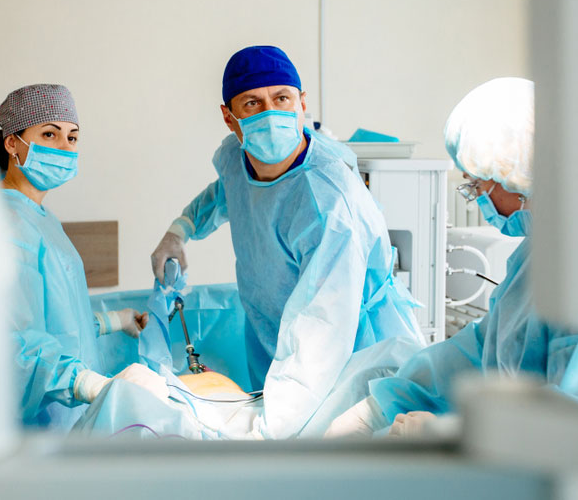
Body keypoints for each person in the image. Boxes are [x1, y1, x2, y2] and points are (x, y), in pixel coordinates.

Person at [326, 77, 578, 438]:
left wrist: (459, 432)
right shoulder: (541, 248)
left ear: (516, 174)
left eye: (477, 186)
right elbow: (484, 349)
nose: (478, 200)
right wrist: (384, 403)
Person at [149, 46, 425, 439]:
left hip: (351, 352)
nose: (270, 113)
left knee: (327, 454)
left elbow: (322, 327)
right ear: (230, 118)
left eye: (282, 98)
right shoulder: (238, 153)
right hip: (273, 330)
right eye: (252, 103)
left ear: (302, 103)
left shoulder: (327, 202)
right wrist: (181, 229)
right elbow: (227, 191)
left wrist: (268, 434)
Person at [0, 83, 168, 431]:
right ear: (12, 143)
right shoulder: (6, 224)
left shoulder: (40, 216)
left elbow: (56, 317)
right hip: (36, 425)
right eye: (50, 134)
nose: (65, 147)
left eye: (72, 137)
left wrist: (117, 320)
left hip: (65, 416)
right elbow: (14, 340)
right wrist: (93, 386)